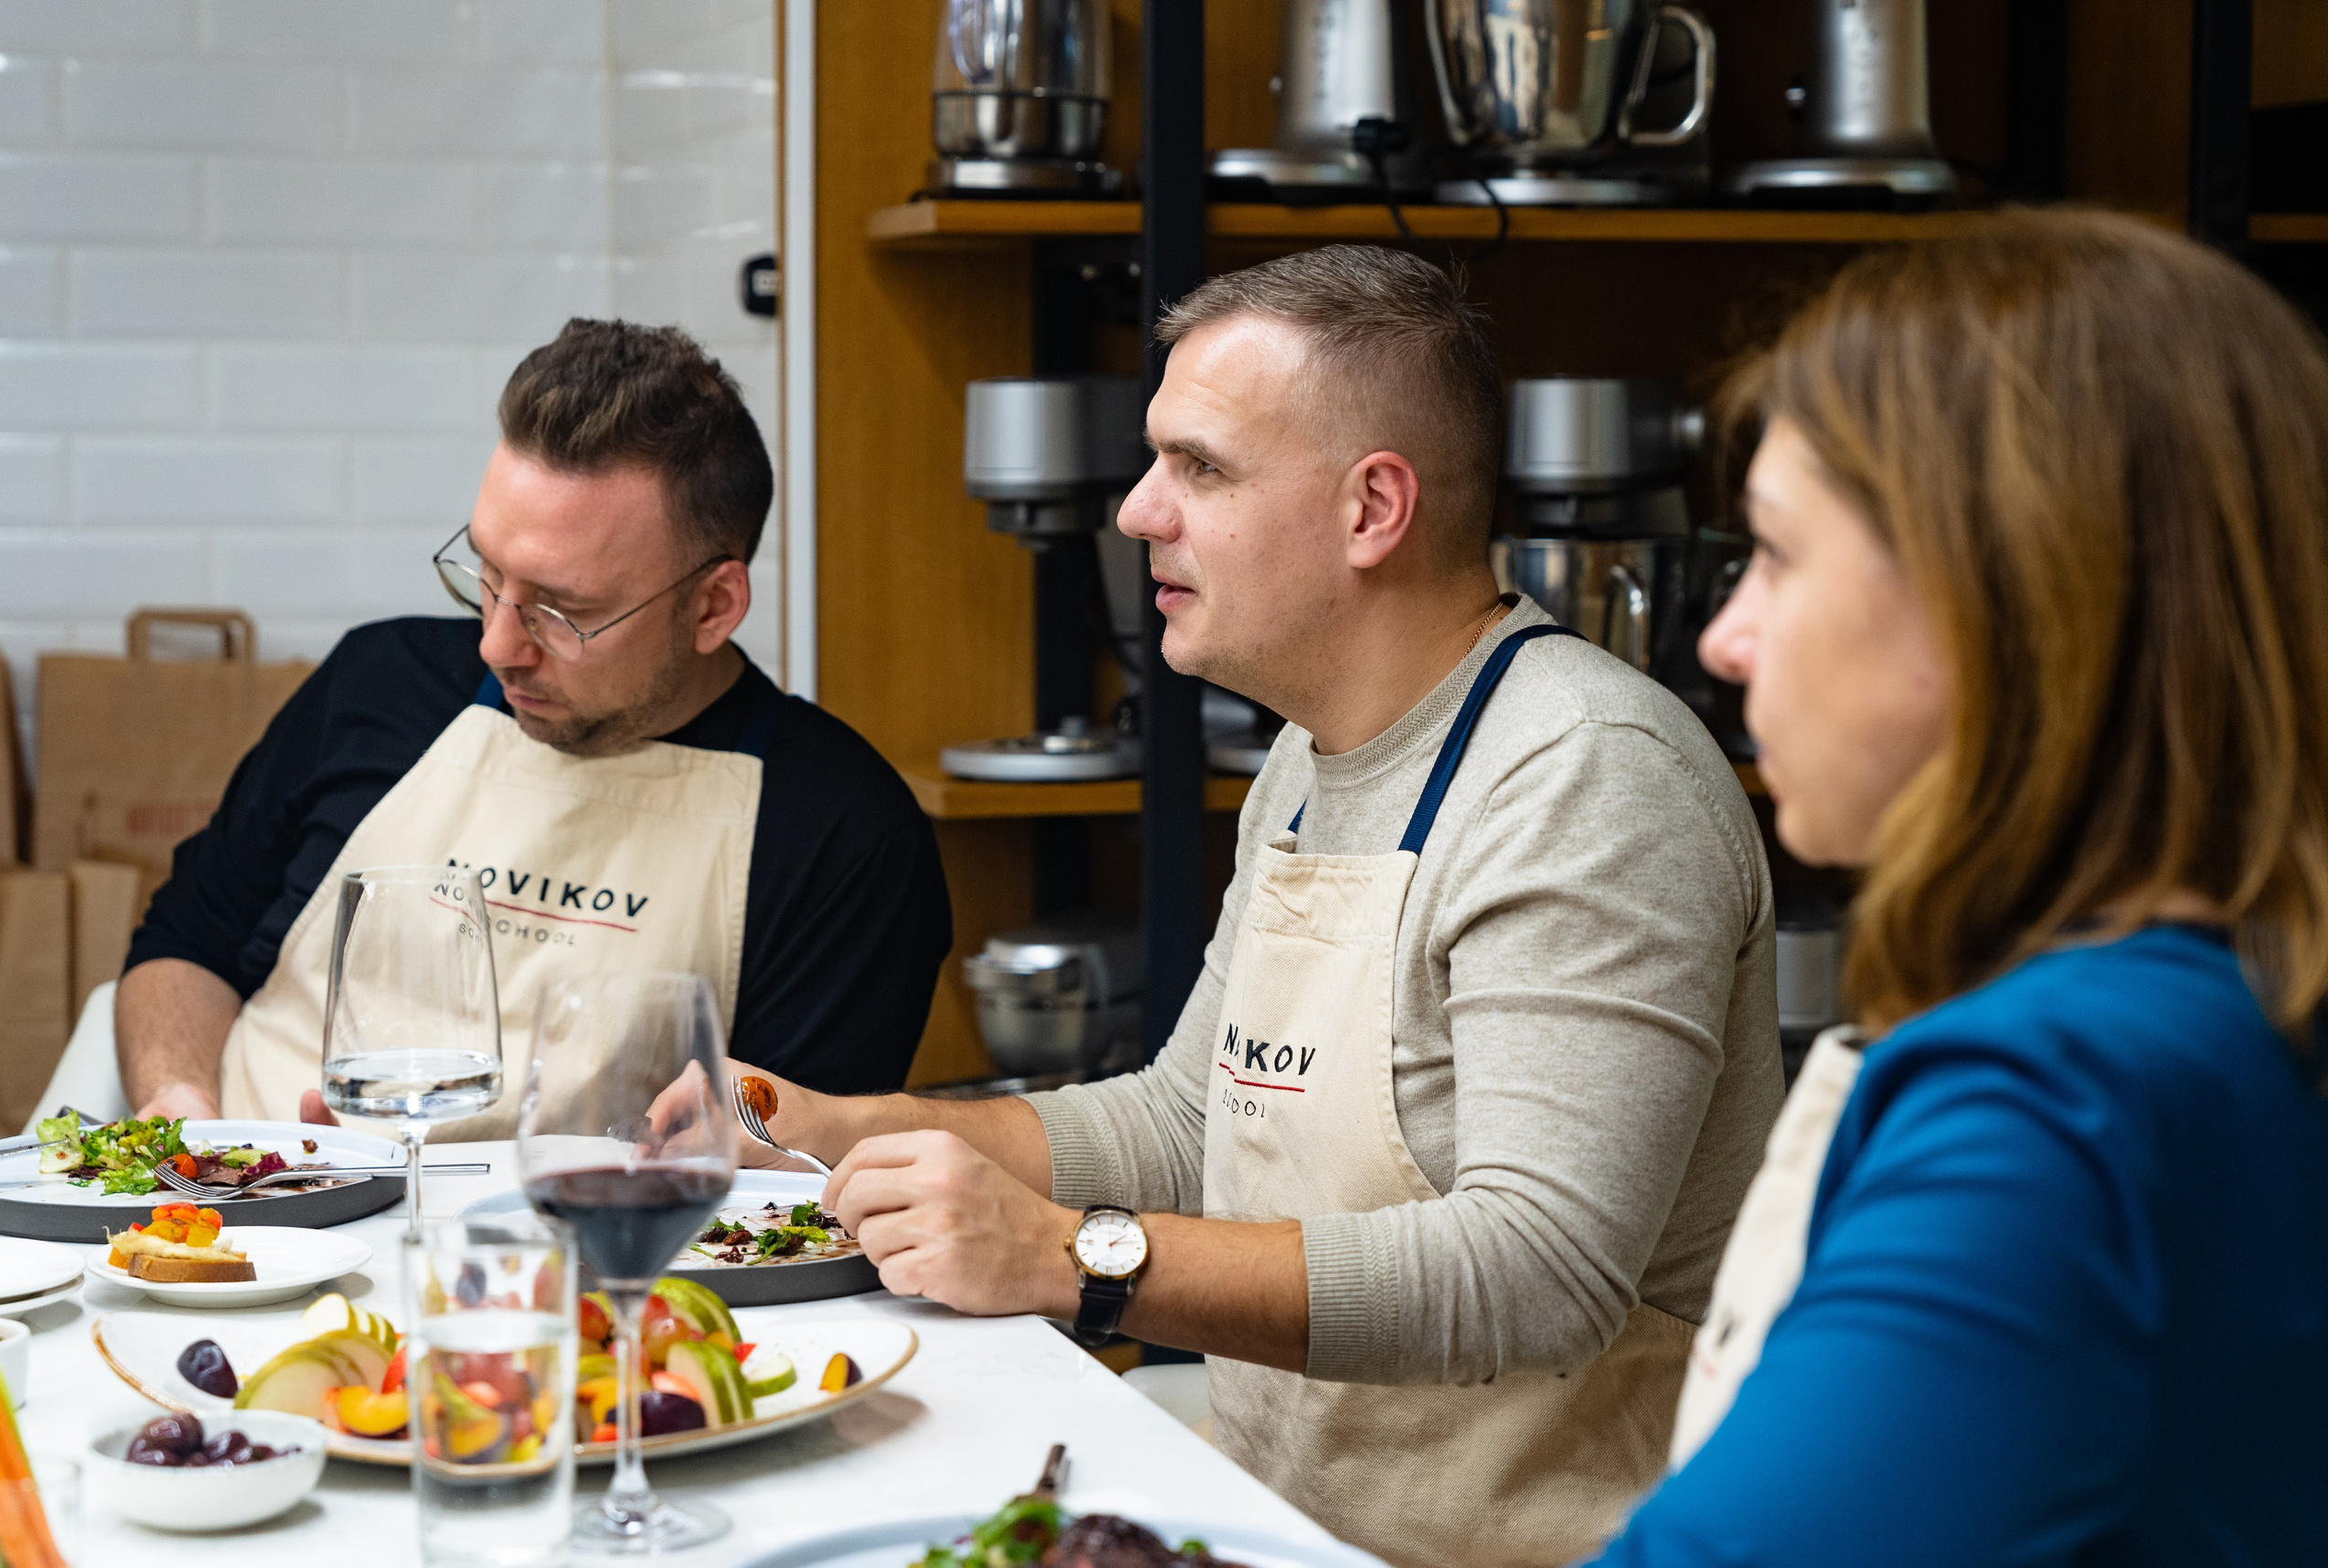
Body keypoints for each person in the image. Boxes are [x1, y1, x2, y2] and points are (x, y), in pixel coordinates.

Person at [718, 247, 1784, 1568]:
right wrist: (840, 1126)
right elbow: (1184, 1123)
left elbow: (1537, 1270)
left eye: (1200, 467)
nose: (1137, 511)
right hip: (1265, 1516)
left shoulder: (1587, 775)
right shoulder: (1311, 748)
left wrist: (1076, 1259)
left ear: (1371, 508)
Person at [1586, 211, 2328, 1565]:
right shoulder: (2226, 993)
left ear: (2007, 593)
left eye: (1776, 553)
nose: (1722, 636)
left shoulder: (2060, 1093)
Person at [118, 320, 952, 1137]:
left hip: (567, 1266)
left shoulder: (843, 834)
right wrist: (180, 1108)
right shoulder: (378, 684)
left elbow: (788, 1183)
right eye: (486, 574)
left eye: (562, 611)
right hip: (235, 1221)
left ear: (713, 606)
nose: (497, 644)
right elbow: (186, 943)